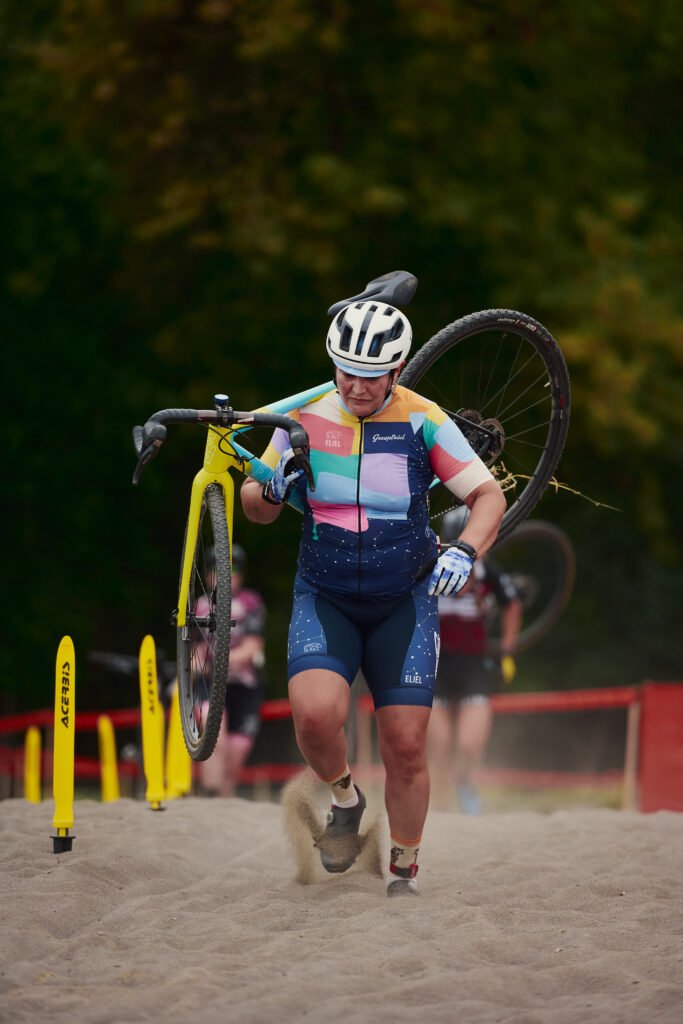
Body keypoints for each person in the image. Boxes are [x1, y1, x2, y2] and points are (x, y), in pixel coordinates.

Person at [241, 300, 506, 896]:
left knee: (406, 746)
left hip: (402, 601)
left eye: (371, 375)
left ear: (398, 369)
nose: (357, 386)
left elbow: (488, 496)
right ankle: (346, 799)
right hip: (325, 594)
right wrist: (271, 490)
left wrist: (464, 550)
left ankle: (403, 870)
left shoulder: (424, 420)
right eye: (346, 372)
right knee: (314, 716)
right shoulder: (300, 418)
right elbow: (254, 507)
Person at [428, 509, 522, 815]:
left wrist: (507, 648)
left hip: (473, 665)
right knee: (439, 745)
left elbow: (512, 603)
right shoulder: (430, 567)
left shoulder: (487, 573)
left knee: (469, 744)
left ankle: (465, 783)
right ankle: (440, 800)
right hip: (436, 665)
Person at [198, 544, 267, 797]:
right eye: (216, 569)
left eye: (232, 570)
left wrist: (220, 660)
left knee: (236, 752)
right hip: (210, 683)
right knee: (214, 735)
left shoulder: (251, 602)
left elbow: (253, 645)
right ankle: (211, 793)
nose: (224, 575)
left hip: (244, 685)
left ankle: (224, 800)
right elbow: (194, 651)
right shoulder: (200, 606)